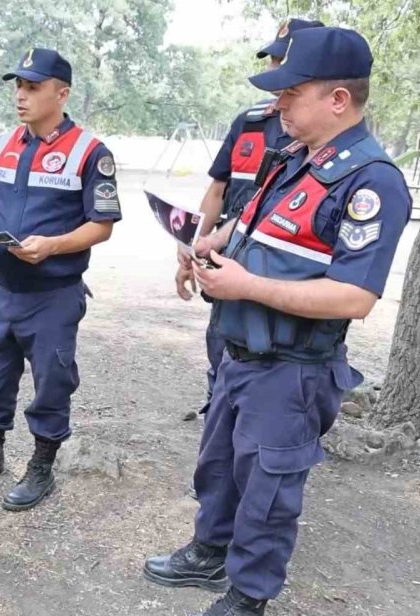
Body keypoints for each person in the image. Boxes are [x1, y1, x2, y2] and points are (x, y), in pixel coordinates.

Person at [143, 27, 411, 615]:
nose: (278, 102)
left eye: (292, 91)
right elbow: (246, 228)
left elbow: (353, 298)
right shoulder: (291, 158)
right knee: (218, 467)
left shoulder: (372, 182)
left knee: (268, 490)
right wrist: (205, 249)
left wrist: (247, 286)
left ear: (338, 99)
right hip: (237, 353)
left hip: (291, 370)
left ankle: (247, 597)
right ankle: (210, 551)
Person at [0, 47, 122, 511]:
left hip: (52, 295)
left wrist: (51, 245)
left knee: (51, 381)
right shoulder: (2, 144)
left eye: (32, 87)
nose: (21, 96)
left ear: (61, 93)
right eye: (18, 86)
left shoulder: (90, 152)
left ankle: (41, 467)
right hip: (0, 290)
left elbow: (102, 225)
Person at [175, 18, 324, 420]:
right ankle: (219, 420)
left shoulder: (320, 141)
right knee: (221, 354)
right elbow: (216, 191)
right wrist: (193, 243)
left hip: (280, 284)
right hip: (226, 264)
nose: (274, 70)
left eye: (284, 60)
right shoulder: (250, 122)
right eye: (273, 59)